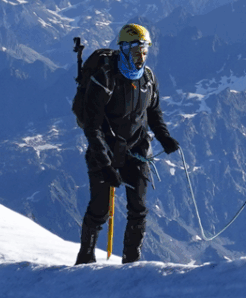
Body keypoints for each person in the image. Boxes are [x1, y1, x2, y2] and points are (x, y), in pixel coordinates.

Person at [71, 23, 180, 264]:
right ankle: (85, 256)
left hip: (137, 151)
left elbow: (153, 112)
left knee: (138, 209)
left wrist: (164, 137)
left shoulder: (148, 79)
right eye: (135, 52)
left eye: (143, 52)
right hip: (105, 153)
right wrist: (106, 164)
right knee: (100, 209)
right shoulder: (105, 79)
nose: (140, 57)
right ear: (123, 49)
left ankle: (132, 261)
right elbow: (93, 127)